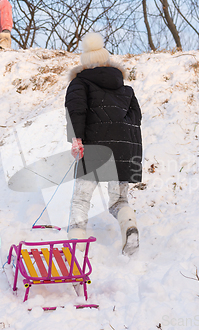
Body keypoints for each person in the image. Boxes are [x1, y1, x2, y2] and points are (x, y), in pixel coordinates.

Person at [65, 32, 143, 256]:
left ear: (86, 64)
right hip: (124, 149)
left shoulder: (80, 84)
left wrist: (76, 139)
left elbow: (75, 111)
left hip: (95, 148)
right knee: (119, 199)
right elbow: (136, 119)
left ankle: (77, 247)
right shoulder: (126, 89)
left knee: (81, 198)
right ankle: (130, 228)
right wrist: (129, 151)